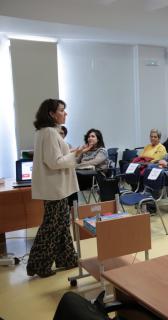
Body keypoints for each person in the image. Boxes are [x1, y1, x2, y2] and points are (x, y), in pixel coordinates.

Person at [27, 99, 91, 278]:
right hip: (55, 188)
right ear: (51, 113)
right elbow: (54, 162)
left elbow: (57, 157)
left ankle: (67, 259)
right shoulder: (49, 133)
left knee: (62, 224)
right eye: (62, 110)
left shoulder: (47, 131)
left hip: (56, 187)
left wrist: (75, 153)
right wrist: (76, 154)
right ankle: (38, 265)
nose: (65, 113)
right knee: (52, 227)